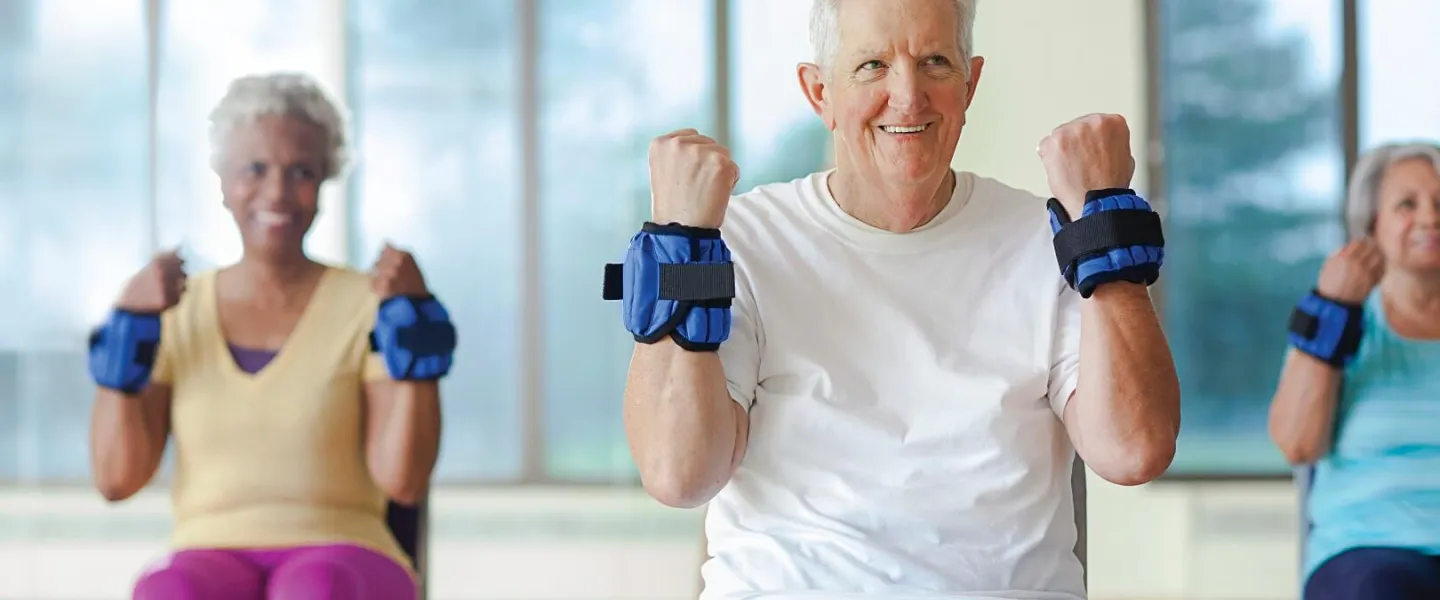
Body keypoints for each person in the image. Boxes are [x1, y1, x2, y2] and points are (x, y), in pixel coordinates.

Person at [605, 0, 1181, 598]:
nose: (908, 96)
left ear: (971, 82)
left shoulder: (1053, 240)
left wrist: (1103, 224)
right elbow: (678, 474)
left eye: (935, 61)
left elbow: (1134, 450)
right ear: (819, 92)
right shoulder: (744, 240)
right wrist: (681, 241)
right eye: (873, 65)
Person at [86, 72, 457, 600]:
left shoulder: (369, 306)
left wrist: (415, 322)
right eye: (254, 169)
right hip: (207, 554)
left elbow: (402, 481)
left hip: (346, 552)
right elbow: (116, 481)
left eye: (301, 171)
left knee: (314, 589)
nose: (278, 191)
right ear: (222, 181)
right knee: (170, 592)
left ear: (325, 179)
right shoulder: (176, 311)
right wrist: (128, 325)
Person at [1270, 142, 1440, 600]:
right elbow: (1298, 444)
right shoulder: (1342, 319)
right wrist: (1334, 306)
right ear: (1371, 226)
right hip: (1370, 548)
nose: (1430, 217)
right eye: (1408, 204)